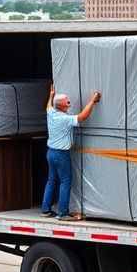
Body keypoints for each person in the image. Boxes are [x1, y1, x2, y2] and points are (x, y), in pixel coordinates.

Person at [41, 84, 101, 221]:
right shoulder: (64, 119)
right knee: (65, 181)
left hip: (51, 153)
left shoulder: (51, 113)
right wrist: (92, 101)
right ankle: (63, 213)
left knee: (51, 180)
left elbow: (48, 107)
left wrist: (51, 95)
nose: (69, 103)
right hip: (61, 155)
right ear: (61, 106)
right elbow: (82, 117)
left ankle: (45, 210)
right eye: (67, 102)